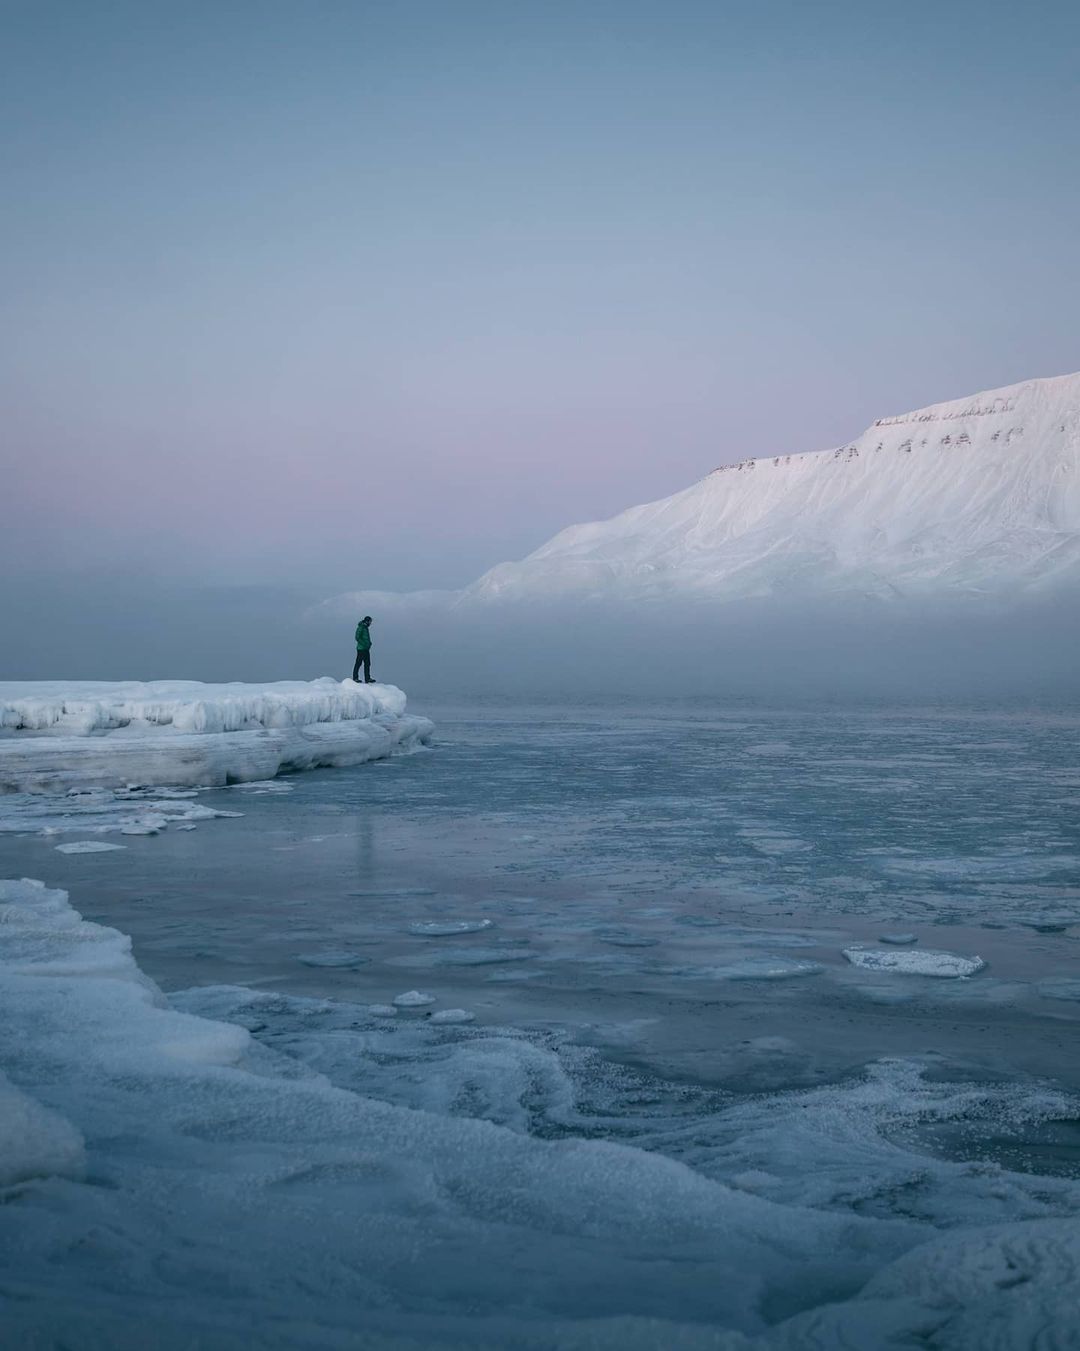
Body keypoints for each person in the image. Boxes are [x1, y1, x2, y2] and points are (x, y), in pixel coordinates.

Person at [352, 615, 374, 683]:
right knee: (358, 663)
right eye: (370, 622)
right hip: (361, 649)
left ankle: (367, 678)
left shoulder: (365, 628)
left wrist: (369, 643)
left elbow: (365, 638)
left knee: (367, 663)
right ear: (367, 621)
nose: (370, 623)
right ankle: (355, 678)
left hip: (366, 649)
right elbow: (357, 637)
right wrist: (364, 644)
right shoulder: (361, 627)